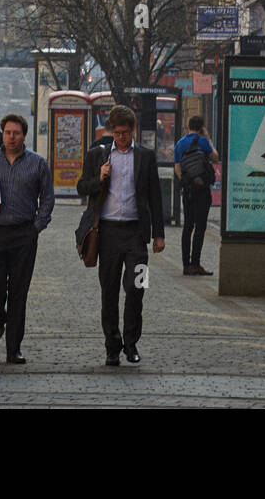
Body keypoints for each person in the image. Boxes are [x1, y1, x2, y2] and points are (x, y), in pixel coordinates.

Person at [77, 104, 165, 366]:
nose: (121, 138)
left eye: (125, 133)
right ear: (111, 131)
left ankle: (131, 342)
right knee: (110, 292)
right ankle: (112, 346)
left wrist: (158, 235)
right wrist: (99, 177)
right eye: (117, 133)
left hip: (136, 234)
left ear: (133, 130)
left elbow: (155, 198)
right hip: (108, 234)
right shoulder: (98, 156)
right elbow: (82, 187)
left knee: (137, 287)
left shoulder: (146, 157)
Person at [0, 113, 54, 364]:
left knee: (18, 292)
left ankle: (13, 348)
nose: (11, 137)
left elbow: (47, 198)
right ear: (2, 134)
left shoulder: (37, 163)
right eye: (7, 133)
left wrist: (36, 227)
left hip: (23, 235)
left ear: (24, 136)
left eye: (16, 133)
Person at [174, 115, 219, 276]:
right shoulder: (203, 141)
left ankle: (186, 265)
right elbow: (215, 157)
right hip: (202, 190)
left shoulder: (180, 143)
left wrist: (187, 182)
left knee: (188, 226)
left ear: (187, 126)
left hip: (188, 191)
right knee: (200, 227)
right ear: (201, 128)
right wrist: (208, 138)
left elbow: (177, 168)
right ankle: (196, 263)